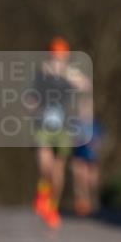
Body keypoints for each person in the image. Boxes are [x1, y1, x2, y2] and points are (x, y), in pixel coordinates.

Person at [31, 37, 92, 229]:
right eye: (53, 53)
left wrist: (67, 75)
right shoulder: (40, 73)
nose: (56, 57)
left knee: (58, 169)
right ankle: (42, 191)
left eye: (60, 54)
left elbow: (85, 86)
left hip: (64, 126)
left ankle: (51, 206)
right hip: (42, 124)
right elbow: (31, 97)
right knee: (44, 162)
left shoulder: (70, 72)